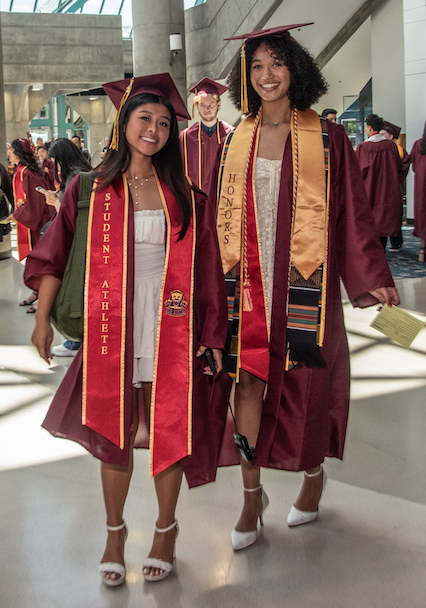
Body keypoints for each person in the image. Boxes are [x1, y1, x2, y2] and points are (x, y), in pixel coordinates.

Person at [25, 73, 229, 585]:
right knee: (113, 432)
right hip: (111, 326)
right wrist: (43, 324)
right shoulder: (89, 189)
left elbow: (206, 270)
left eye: (164, 123)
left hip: (171, 326)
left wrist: (214, 335)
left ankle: (165, 529)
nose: (155, 130)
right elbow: (53, 256)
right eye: (145, 119)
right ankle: (114, 532)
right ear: (124, 121)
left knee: (167, 427)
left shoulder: (184, 193)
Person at [216, 24, 399, 551]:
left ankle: (312, 476)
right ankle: (252, 496)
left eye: (277, 63)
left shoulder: (327, 136)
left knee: (308, 386)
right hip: (248, 288)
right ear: (244, 77)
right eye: (256, 66)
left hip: (306, 288)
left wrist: (372, 279)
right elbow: (217, 223)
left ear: (297, 68)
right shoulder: (236, 140)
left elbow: (353, 217)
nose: (267, 75)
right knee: (246, 382)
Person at [39, 137, 92, 357]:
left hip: (78, 243)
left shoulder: (76, 178)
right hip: (81, 242)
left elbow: (73, 216)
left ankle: (75, 342)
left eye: (55, 162)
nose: (53, 167)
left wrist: (54, 202)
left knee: (74, 291)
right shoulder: (80, 174)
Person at [4, 138, 54, 310]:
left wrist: (16, 215)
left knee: (40, 260)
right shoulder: (22, 170)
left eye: (10, 149)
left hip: (38, 223)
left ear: (17, 151)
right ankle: (37, 293)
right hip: (34, 220)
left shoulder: (28, 173)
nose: (7, 153)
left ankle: (44, 299)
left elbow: (35, 203)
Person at [356, 114, 409, 250]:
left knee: (371, 218)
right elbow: (400, 167)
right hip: (388, 189)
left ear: (369, 127)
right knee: (385, 217)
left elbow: (359, 171)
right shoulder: (391, 146)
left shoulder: (364, 147)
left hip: (370, 188)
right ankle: (384, 246)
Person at [180, 77, 233, 192]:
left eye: (211, 105)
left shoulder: (230, 135)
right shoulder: (185, 137)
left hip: (222, 198)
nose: (207, 109)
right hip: (195, 200)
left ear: (218, 105)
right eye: (202, 105)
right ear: (197, 106)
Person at [379, 120, 411, 251]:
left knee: (395, 215)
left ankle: (396, 242)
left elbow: (404, 166)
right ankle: (382, 243)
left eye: (383, 134)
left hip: (393, 188)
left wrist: (393, 178)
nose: (380, 137)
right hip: (381, 188)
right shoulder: (379, 148)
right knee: (382, 215)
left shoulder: (399, 150)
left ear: (391, 136)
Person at [410, 121, 426, 261]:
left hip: (422, 186)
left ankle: (422, 249)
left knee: (423, 215)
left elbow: (414, 167)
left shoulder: (418, 144)